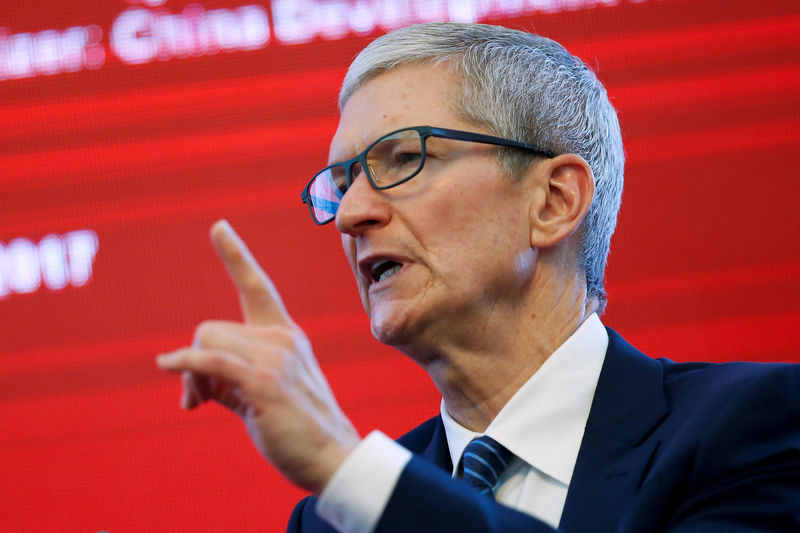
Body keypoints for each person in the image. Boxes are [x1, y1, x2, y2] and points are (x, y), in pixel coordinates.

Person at [156, 22, 800, 532]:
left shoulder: (752, 428)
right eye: (344, 182)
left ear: (553, 202)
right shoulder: (331, 521)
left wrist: (343, 465)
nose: (351, 214)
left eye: (403, 157)